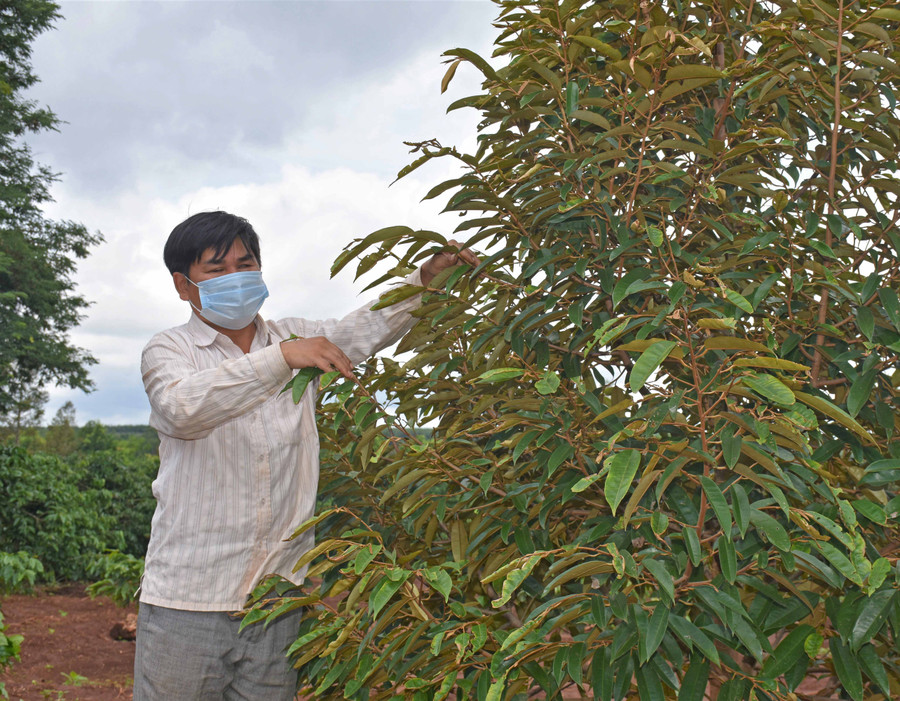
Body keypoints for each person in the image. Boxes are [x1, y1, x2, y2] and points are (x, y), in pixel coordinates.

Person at [134, 211, 476, 700]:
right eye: (216, 269)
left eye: (246, 264)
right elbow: (182, 409)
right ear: (183, 286)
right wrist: (280, 360)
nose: (236, 277)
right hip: (189, 596)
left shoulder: (293, 336)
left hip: (278, 596)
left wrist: (423, 280)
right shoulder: (169, 350)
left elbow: (364, 328)